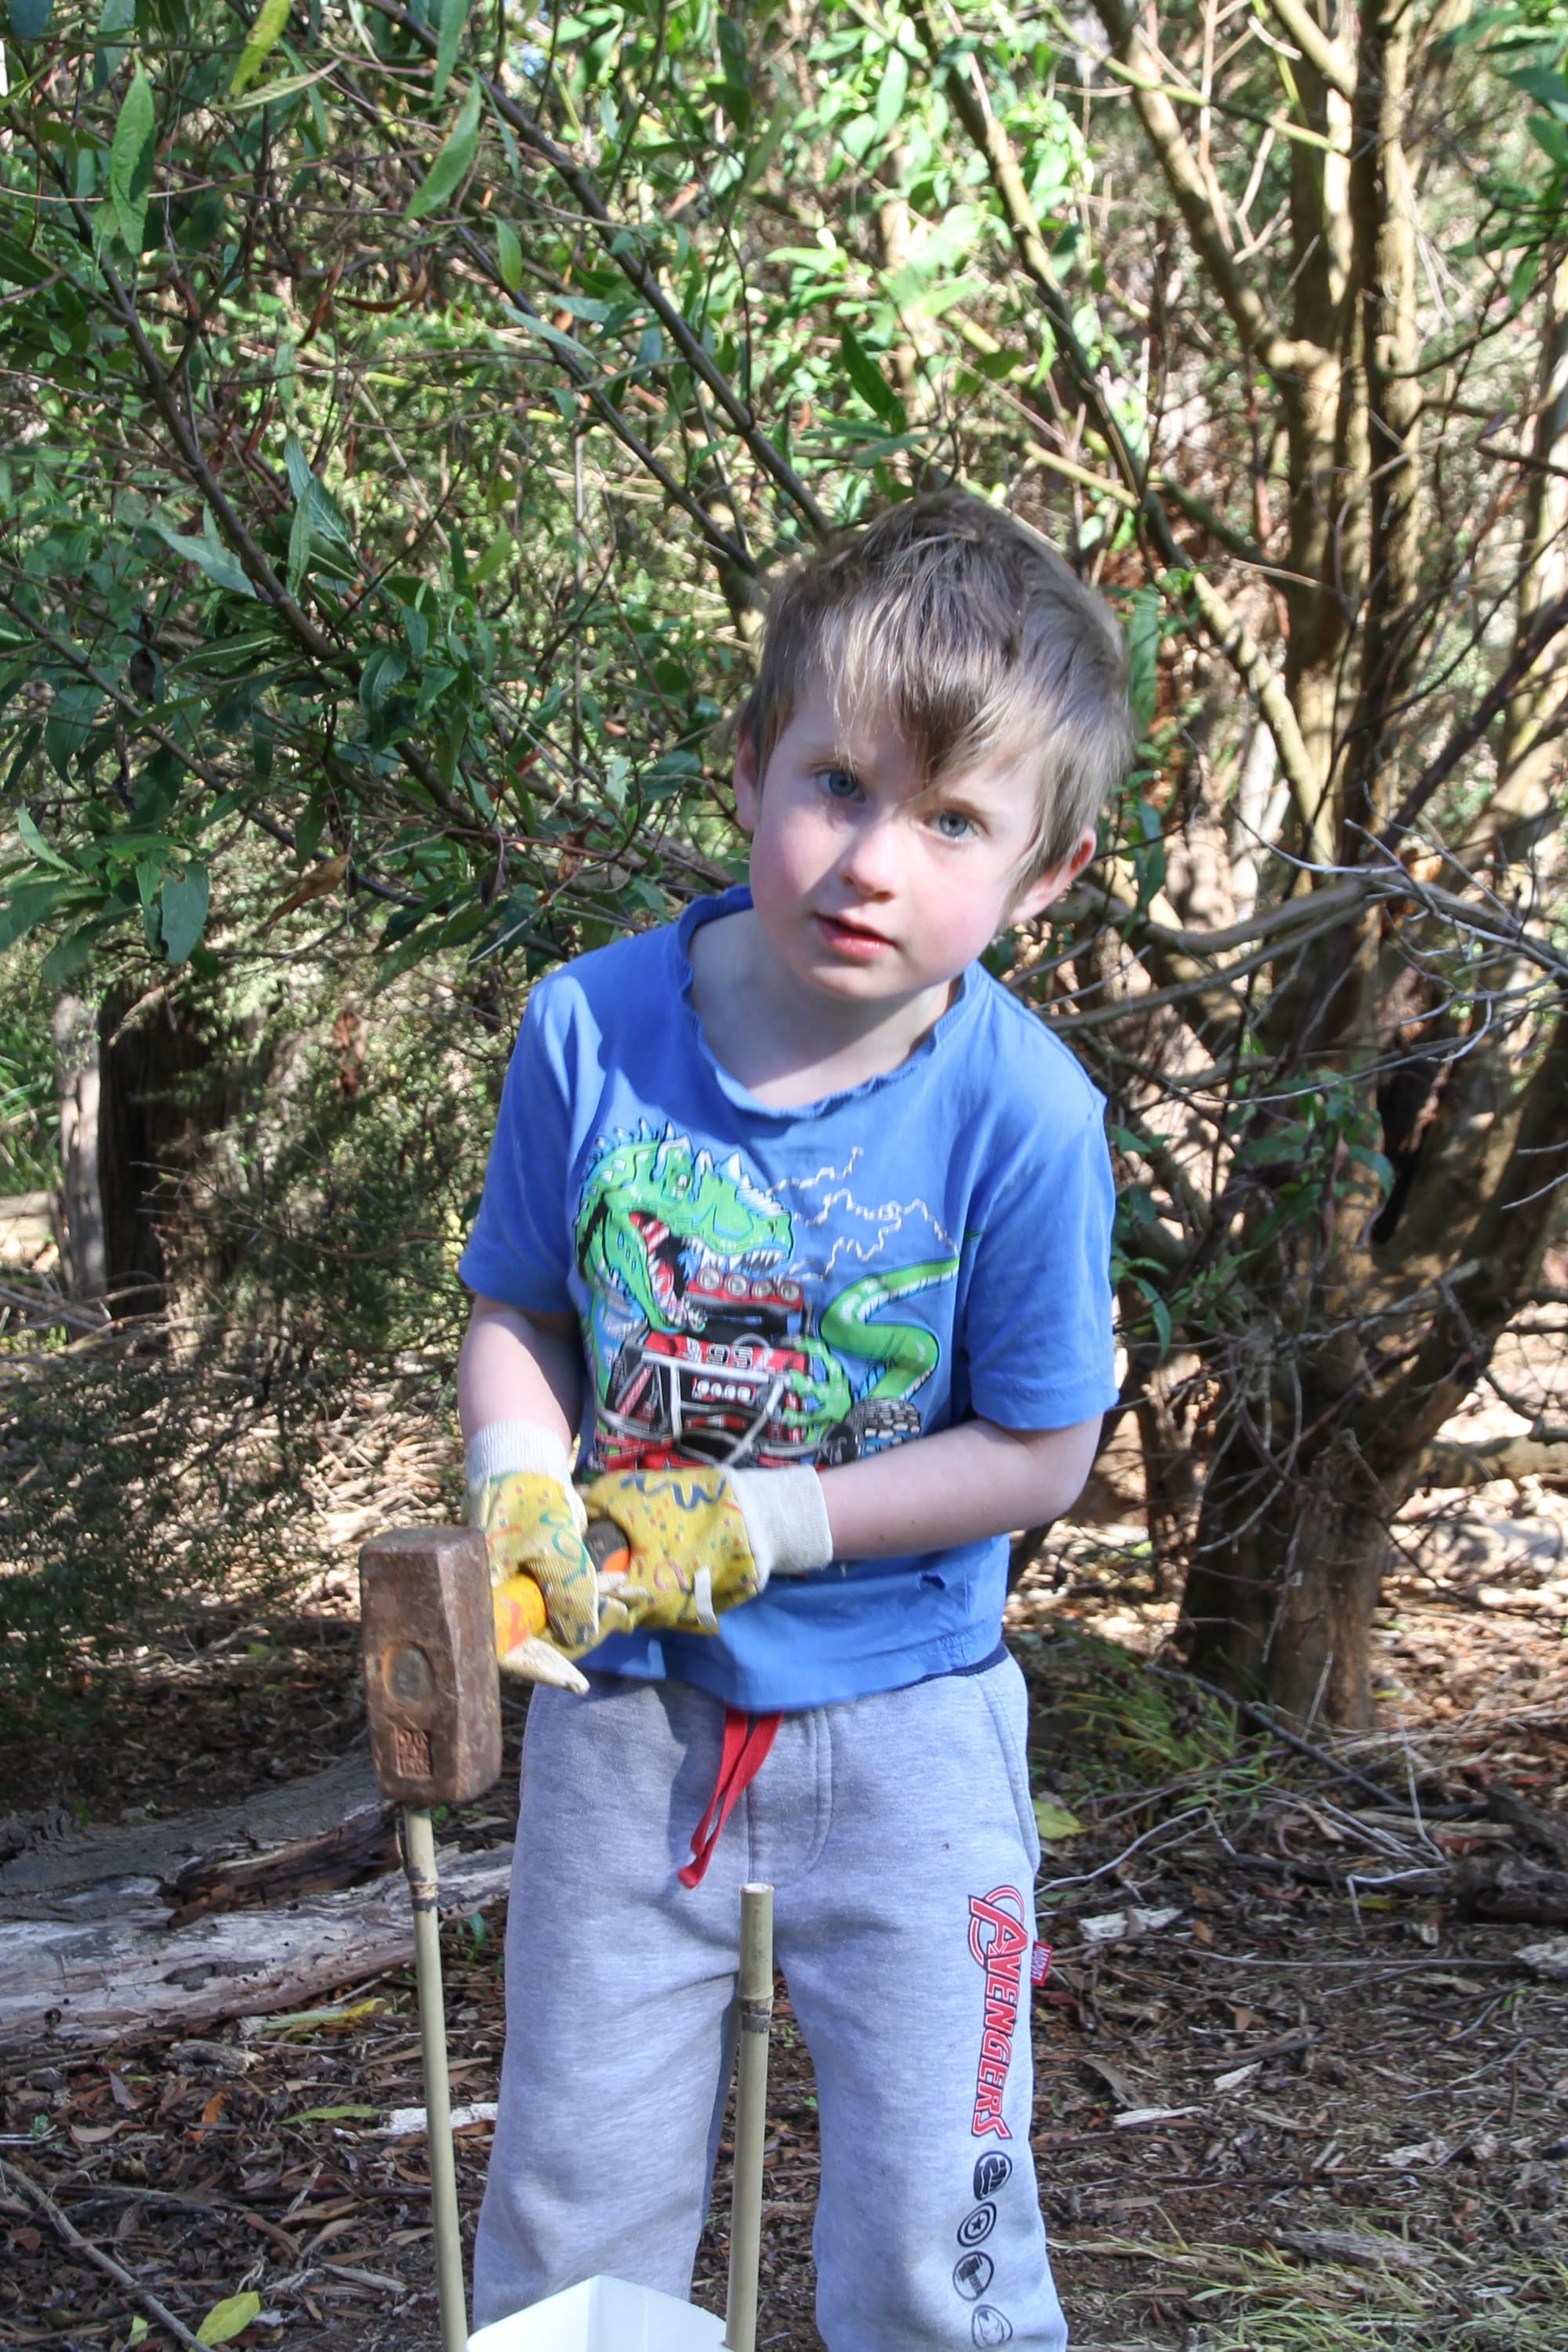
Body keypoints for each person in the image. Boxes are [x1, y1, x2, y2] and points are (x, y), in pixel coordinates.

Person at [456, 489, 1133, 2351]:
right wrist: (523, 1481)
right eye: (837, 782)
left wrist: (770, 1523)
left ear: (1042, 877)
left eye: (952, 820)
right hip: (625, 1718)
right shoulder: (589, 1033)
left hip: (909, 1736)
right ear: (747, 769)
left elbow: (1040, 1453)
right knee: (573, 2209)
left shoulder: (1025, 1116)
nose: (873, 859)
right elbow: (519, 1304)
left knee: (940, 2226)